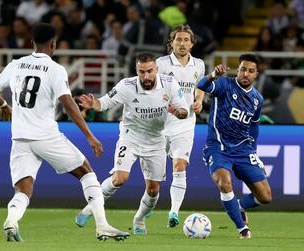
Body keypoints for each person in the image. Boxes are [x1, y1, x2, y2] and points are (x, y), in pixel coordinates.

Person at [0, 23, 129, 242]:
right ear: (54, 44)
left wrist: (4, 106)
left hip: (20, 138)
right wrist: (89, 136)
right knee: (86, 172)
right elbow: (69, 105)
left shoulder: (16, 65)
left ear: (31, 42)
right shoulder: (55, 69)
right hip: (46, 136)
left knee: (23, 188)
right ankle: (102, 226)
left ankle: (12, 219)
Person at [75, 52, 189, 235]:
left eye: (149, 71)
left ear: (156, 69)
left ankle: (139, 218)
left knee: (153, 190)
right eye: (141, 72)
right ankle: (90, 209)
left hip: (157, 140)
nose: (145, 76)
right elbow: (103, 103)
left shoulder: (169, 84)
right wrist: (93, 104)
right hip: (131, 137)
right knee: (120, 179)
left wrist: (178, 113)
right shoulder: (126, 85)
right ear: (137, 70)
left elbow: (185, 110)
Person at [196, 54, 272, 239]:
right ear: (238, 70)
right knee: (225, 182)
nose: (246, 74)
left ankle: (239, 205)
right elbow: (201, 86)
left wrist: (253, 150)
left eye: (251, 71)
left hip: (244, 150)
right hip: (218, 147)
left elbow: (254, 125)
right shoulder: (224, 85)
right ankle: (242, 229)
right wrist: (213, 75)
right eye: (243, 69)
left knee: (265, 197)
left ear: (256, 75)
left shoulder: (257, 99)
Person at [156, 24, 205, 228]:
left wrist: (199, 101)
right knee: (154, 177)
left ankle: (173, 212)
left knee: (179, 165)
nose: (182, 43)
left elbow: (200, 87)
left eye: (186, 40)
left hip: (185, 123)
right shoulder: (162, 63)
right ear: (171, 43)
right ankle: (145, 209)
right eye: (178, 39)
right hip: (159, 123)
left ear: (192, 43)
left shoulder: (199, 65)